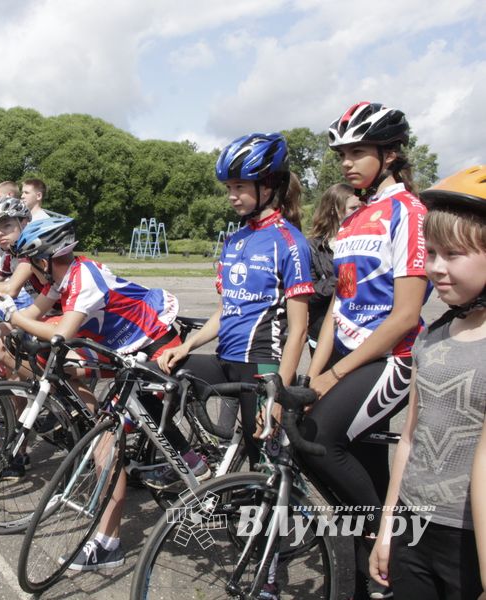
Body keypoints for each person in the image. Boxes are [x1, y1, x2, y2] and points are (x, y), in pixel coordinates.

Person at [0, 216, 182, 570]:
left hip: (155, 344)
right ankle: (176, 463)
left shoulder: (83, 277)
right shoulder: (63, 278)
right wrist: (0, 326)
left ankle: (109, 542)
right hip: (126, 349)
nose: (31, 271)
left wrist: (13, 317)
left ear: (45, 259)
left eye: (33, 262)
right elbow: (32, 314)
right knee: (84, 390)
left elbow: (61, 334)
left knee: (108, 441)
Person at [305, 102, 431, 599]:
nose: (346, 163)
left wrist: (333, 379)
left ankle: (386, 537)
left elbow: (404, 315)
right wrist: (314, 374)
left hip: (392, 358)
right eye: (342, 155)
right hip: (348, 354)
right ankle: (366, 569)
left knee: (316, 439)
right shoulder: (355, 218)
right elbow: (340, 304)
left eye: (358, 153)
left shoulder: (409, 212)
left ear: (391, 153)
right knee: (338, 446)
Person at [155, 133, 313, 489]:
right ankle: (192, 462)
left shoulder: (290, 243)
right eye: (228, 187)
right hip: (226, 358)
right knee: (152, 380)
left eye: (240, 187)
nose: (231, 196)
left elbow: (299, 330)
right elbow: (227, 310)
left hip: (261, 366)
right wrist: (188, 345)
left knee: (261, 474)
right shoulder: (235, 239)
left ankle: (282, 530)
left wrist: (279, 393)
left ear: (269, 185)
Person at [368, 166, 486, 599]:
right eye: (431, 253)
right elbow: (411, 438)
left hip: (469, 540)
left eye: (452, 255)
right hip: (413, 529)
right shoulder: (432, 336)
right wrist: (386, 531)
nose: (435, 268)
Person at [306, 183, 360, 353]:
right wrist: (338, 282)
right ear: (334, 210)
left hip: (358, 334)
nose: (359, 213)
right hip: (321, 332)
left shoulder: (366, 244)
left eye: (362, 208)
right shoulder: (313, 247)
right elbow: (307, 293)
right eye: (353, 208)